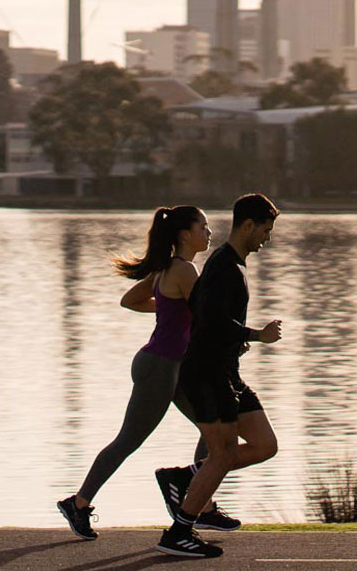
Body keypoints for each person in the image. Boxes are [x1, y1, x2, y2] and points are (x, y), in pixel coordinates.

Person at [57, 205, 241, 540]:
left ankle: (202, 506)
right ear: (185, 234)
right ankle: (78, 504)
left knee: (213, 426)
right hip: (158, 366)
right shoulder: (183, 271)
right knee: (129, 439)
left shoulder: (168, 269)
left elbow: (131, 300)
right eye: (203, 226)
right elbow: (206, 321)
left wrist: (170, 307)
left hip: (173, 365)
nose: (209, 232)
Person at [155, 193, 283, 558]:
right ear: (247, 225)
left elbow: (207, 316)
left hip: (228, 372)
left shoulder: (233, 265)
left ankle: (187, 477)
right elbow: (210, 322)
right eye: (265, 230)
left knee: (265, 445)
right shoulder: (224, 266)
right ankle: (179, 532)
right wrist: (254, 334)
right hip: (206, 374)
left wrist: (238, 341)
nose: (267, 238)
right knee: (223, 453)